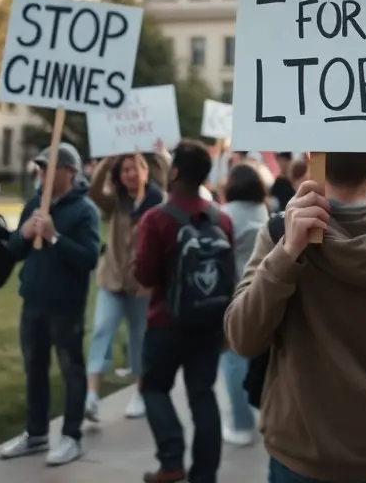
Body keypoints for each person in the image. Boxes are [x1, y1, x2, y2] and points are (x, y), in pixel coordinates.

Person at [226, 152, 366, 483]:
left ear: (312, 159)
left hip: (301, 451)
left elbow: (243, 338)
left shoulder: (281, 237)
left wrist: (287, 253)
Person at [134, 139, 233, 483]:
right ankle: (204, 475)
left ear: (174, 172)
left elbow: (144, 275)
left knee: (153, 388)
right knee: (203, 396)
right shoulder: (222, 219)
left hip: (166, 321)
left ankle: (171, 460)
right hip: (209, 322)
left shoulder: (156, 219)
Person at [0, 142, 100, 467]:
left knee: (71, 369)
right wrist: (24, 235)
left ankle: (72, 435)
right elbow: (13, 251)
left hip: (66, 304)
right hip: (33, 300)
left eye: (48, 167)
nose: (40, 173)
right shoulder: (34, 203)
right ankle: (36, 433)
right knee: (34, 368)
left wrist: (55, 237)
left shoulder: (85, 210)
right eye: (39, 167)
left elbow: (87, 258)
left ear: (69, 171)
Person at [85, 152, 163, 423]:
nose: (130, 173)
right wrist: (108, 160)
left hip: (141, 286)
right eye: (125, 169)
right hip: (111, 280)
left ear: (145, 172)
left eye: (135, 168)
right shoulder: (116, 202)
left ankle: (139, 393)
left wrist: (160, 154)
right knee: (101, 329)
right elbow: (94, 190)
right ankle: (92, 396)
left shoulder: (156, 203)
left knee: (139, 339)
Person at [218, 163, 268, 446]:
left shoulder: (224, 216)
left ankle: (241, 424)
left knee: (233, 360)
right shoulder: (264, 211)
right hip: (262, 292)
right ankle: (254, 411)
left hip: (233, 295)